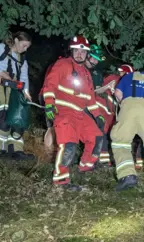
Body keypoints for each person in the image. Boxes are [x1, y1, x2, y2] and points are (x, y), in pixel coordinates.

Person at [41, 35, 105, 191]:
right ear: (72, 50)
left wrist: (98, 115)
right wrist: (49, 105)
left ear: (87, 54)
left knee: (97, 137)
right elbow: (50, 85)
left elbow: (90, 98)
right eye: (77, 51)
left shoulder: (86, 73)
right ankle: (61, 180)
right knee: (69, 146)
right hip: (63, 111)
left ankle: (85, 167)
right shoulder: (62, 64)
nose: (80, 54)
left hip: (80, 114)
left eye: (83, 52)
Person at [0, 31, 34, 160]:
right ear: (16, 40)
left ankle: (15, 150)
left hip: (14, 88)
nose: (25, 49)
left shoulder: (23, 59)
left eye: (27, 47)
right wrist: (1, 73)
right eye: (24, 45)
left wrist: (26, 92)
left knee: (16, 116)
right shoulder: (1, 48)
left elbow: (24, 77)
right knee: (2, 115)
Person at [111, 64, 144, 191]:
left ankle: (127, 175)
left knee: (120, 142)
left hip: (128, 109)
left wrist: (124, 105)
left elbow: (117, 93)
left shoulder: (129, 76)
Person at [86, 44, 116, 167]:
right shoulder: (77, 68)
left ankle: (95, 160)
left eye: (96, 59)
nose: (94, 61)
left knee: (99, 131)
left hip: (91, 106)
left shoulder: (96, 73)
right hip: (78, 104)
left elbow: (96, 91)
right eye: (93, 58)